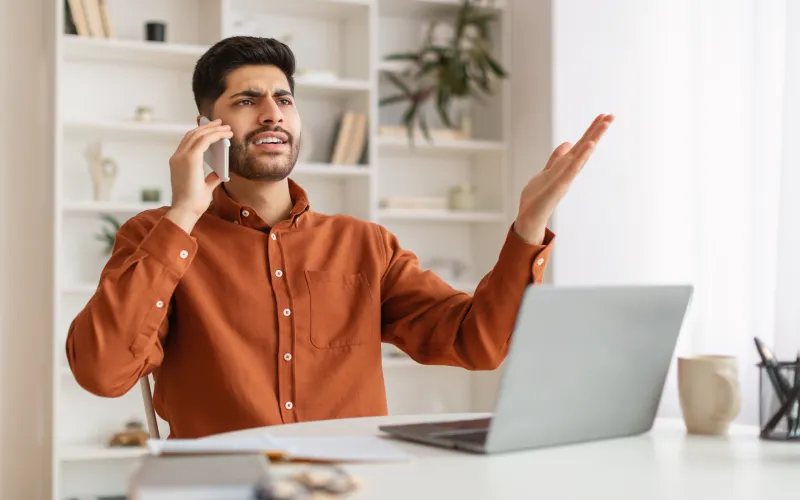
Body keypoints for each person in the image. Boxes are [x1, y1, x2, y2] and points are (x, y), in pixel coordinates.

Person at [66, 36, 613, 439]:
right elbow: (102, 371)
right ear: (206, 126)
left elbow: (480, 342)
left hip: (351, 487)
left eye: (284, 99)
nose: (271, 114)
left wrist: (529, 225)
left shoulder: (365, 245)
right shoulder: (159, 236)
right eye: (246, 100)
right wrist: (184, 213)